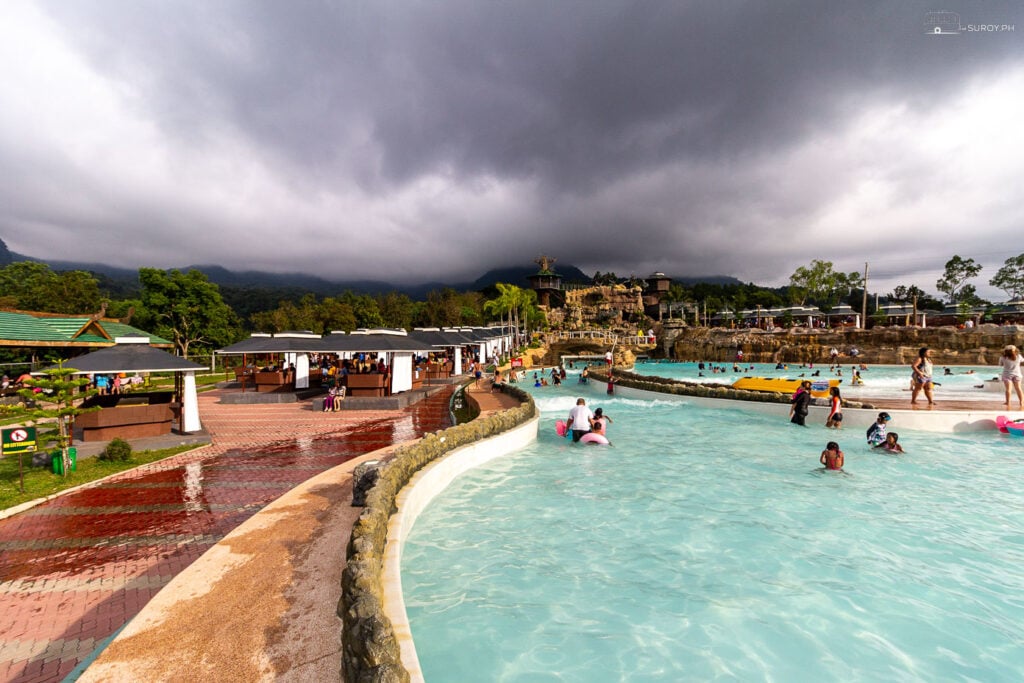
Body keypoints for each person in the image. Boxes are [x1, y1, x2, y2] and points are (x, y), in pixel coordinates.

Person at [999, 344, 1023, 409]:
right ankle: (1021, 402)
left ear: (1006, 351)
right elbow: (1022, 360)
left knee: (1008, 390)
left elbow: (1000, 365)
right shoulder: (1018, 356)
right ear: (1014, 350)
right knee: (1018, 389)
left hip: (1007, 375)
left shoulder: (1003, 357)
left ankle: (1008, 402)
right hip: (1017, 375)